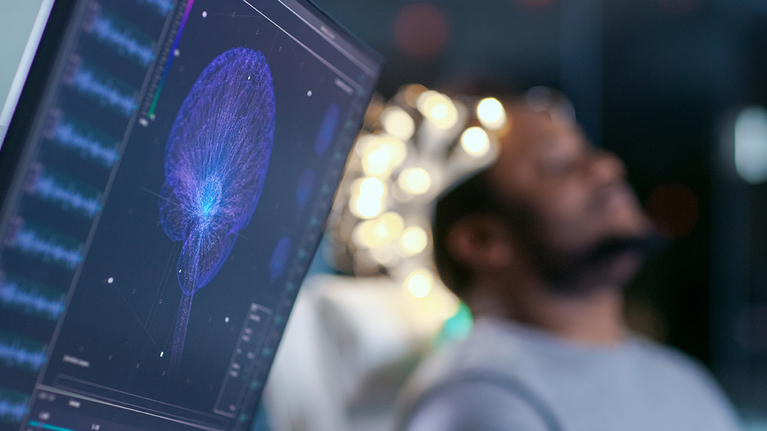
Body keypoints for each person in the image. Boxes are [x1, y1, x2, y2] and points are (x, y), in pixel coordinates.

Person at [396, 96, 741, 431]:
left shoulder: (682, 380)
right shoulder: (478, 401)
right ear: (483, 240)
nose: (606, 166)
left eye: (587, 152)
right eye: (556, 164)